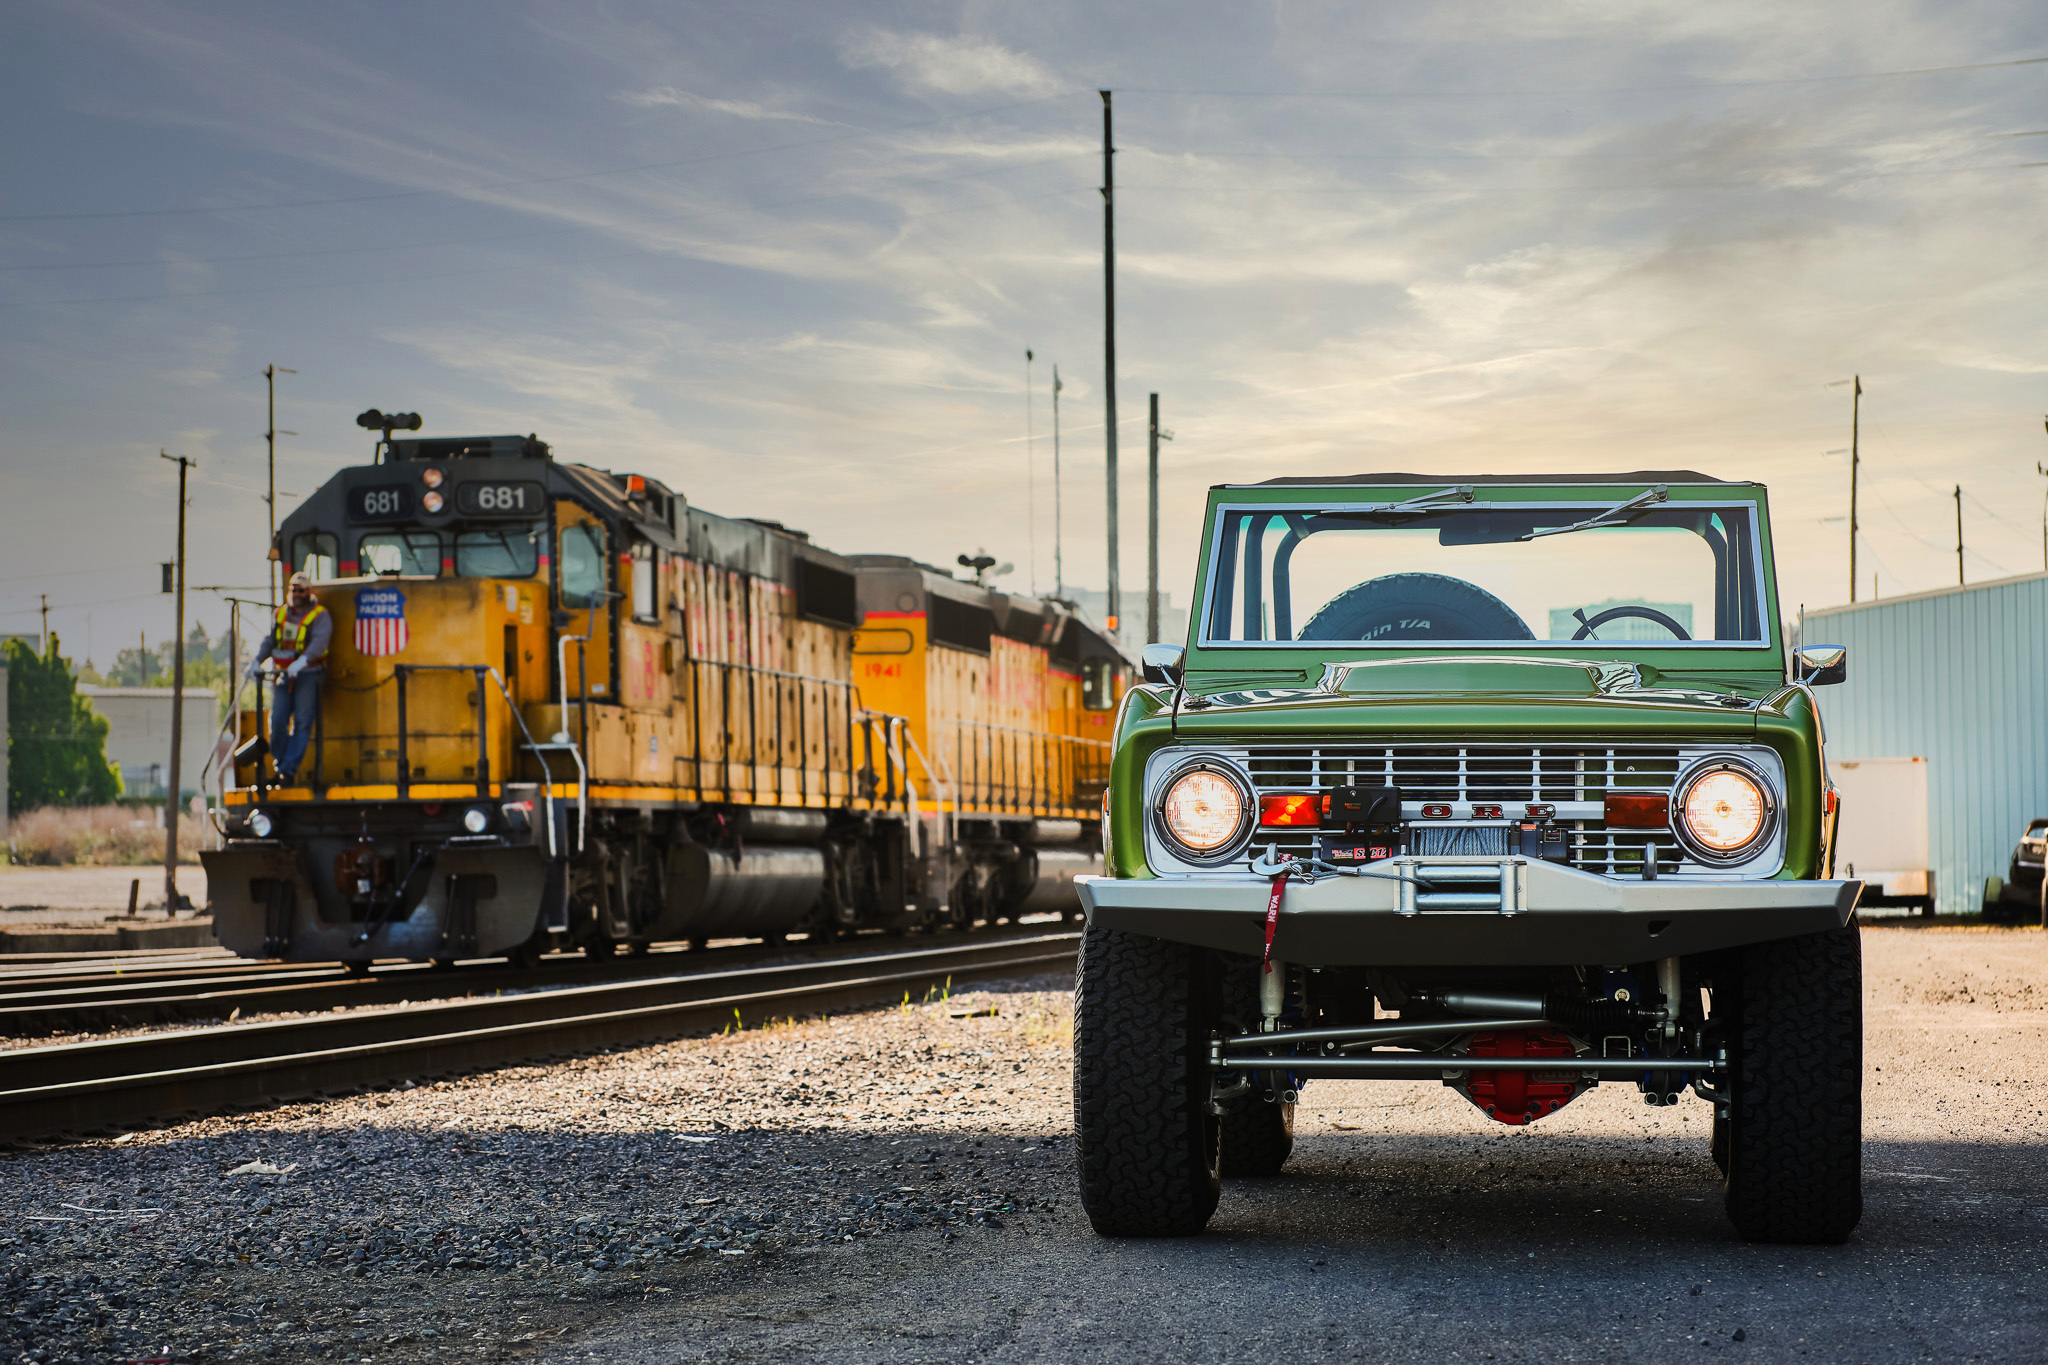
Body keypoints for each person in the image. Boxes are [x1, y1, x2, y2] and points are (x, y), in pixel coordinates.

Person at [247, 571, 331, 783]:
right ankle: (281, 765)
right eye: (293, 589)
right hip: (283, 675)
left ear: (309, 592)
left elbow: (320, 642)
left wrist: (303, 661)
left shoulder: (320, 615)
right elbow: (270, 641)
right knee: (277, 721)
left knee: (302, 723)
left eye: (300, 590)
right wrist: (257, 660)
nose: (296, 593)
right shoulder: (280, 614)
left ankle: (287, 771)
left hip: (309, 675)